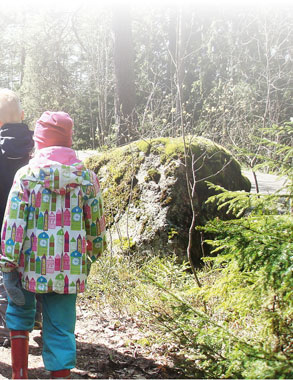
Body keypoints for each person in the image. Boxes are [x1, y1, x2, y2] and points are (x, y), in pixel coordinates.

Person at [0, 111, 107, 379]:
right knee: (61, 327)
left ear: (40, 141)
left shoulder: (26, 175)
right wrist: (93, 251)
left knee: (19, 313)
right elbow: (96, 224)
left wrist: (7, 261)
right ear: (68, 141)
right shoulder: (86, 177)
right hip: (69, 267)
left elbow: (14, 223)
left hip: (26, 266)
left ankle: (19, 375)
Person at [0, 89, 34, 347]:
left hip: (3, 228)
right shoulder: (38, 148)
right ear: (22, 115)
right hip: (34, 228)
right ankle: (38, 317)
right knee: (32, 271)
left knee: (3, 275)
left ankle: (6, 328)